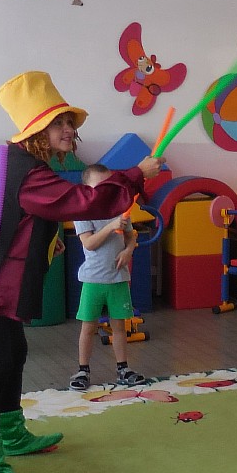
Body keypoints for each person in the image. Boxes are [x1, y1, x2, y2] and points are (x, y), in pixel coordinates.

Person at [0, 70, 162, 473]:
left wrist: (46, 240)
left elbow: (18, 215)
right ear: (37, 129)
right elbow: (83, 201)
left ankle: (13, 435)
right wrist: (136, 174)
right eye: (59, 122)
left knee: (14, 353)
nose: (69, 130)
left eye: (70, 123)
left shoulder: (17, 164)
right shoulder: (25, 172)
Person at [71, 163, 148, 391]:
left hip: (118, 278)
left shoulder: (119, 208)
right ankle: (83, 370)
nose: (105, 190)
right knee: (88, 327)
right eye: (99, 186)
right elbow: (89, 243)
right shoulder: (83, 212)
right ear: (87, 189)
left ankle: (123, 368)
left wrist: (128, 250)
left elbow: (130, 236)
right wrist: (111, 226)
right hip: (93, 279)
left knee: (119, 326)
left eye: (109, 184)